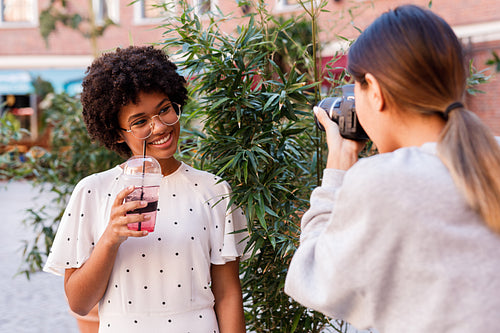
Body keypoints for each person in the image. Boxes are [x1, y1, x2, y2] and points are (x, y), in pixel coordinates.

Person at [285, 5, 500, 333]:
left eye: (355, 87)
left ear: (375, 91)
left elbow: (311, 279)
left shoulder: (385, 180)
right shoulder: (490, 154)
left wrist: (337, 171)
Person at [43, 45, 249, 333]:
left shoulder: (214, 191)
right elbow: (79, 303)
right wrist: (110, 238)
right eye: (139, 121)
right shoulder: (92, 191)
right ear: (116, 132)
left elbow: (228, 296)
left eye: (164, 109)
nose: (160, 126)